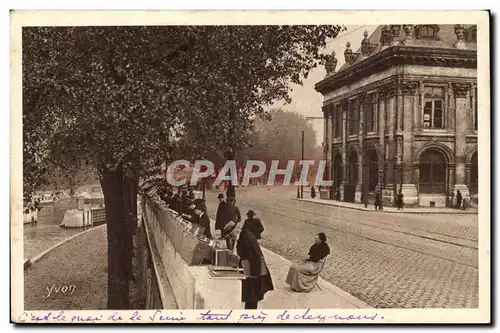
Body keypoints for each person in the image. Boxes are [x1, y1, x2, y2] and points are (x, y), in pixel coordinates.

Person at [222, 221, 274, 309]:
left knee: (252, 296)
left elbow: (256, 257)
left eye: (231, 235)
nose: (231, 238)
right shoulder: (243, 236)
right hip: (249, 270)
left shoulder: (247, 238)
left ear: (236, 231)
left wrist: (253, 275)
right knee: (250, 297)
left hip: (255, 272)